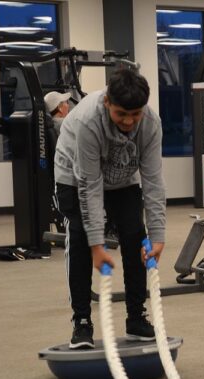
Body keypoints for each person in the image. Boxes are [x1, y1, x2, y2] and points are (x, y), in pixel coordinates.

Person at [53, 68, 165, 349]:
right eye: (121, 115)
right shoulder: (87, 121)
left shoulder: (150, 124)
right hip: (74, 177)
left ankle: (136, 317)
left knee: (136, 235)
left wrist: (158, 236)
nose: (129, 121)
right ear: (107, 104)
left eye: (135, 114)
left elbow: (153, 182)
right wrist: (96, 244)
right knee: (80, 236)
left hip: (122, 179)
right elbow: (89, 186)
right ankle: (81, 321)